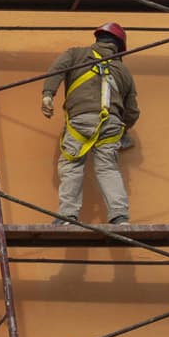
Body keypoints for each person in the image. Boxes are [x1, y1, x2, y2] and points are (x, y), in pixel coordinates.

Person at [41, 22, 140, 224]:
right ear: (119, 48)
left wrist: (48, 95)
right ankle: (120, 216)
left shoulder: (76, 54)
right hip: (111, 124)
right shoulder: (123, 71)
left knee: (71, 165)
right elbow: (132, 111)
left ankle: (68, 215)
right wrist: (123, 131)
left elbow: (55, 70)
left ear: (98, 39)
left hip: (80, 120)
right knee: (108, 169)